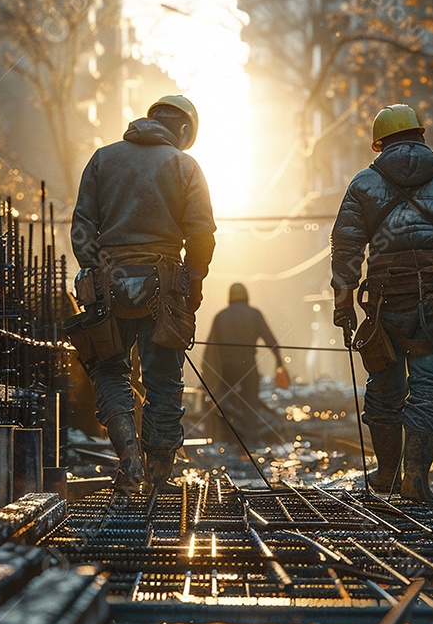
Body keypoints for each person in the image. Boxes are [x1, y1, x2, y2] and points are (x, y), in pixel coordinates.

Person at [330, 104, 433, 504]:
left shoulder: (364, 183)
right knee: (429, 388)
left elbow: (346, 247)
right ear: (420, 134)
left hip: (386, 299)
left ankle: (386, 473)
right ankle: (415, 479)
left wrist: (343, 303)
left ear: (380, 143)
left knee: (384, 386)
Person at [69, 95, 215, 495]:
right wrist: (194, 280)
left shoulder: (102, 158)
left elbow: (81, 227)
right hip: (164, 286)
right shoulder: (184, 165)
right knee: (163, 379)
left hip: (109, 284)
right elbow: (201, 233)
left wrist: (98, 270)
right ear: (183, 130)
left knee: (109, 370)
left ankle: (129, 458)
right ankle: (159, 474)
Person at [203, 283, 289, 444]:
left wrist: (206, 373)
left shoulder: (221, 316)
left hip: (226, 368)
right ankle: (251, 441)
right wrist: (279, 362)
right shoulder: (254, 314)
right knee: (250, 403)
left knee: (222, 400)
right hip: (248, 365)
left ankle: (224, 439)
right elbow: (270, 339)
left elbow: (210, 348)